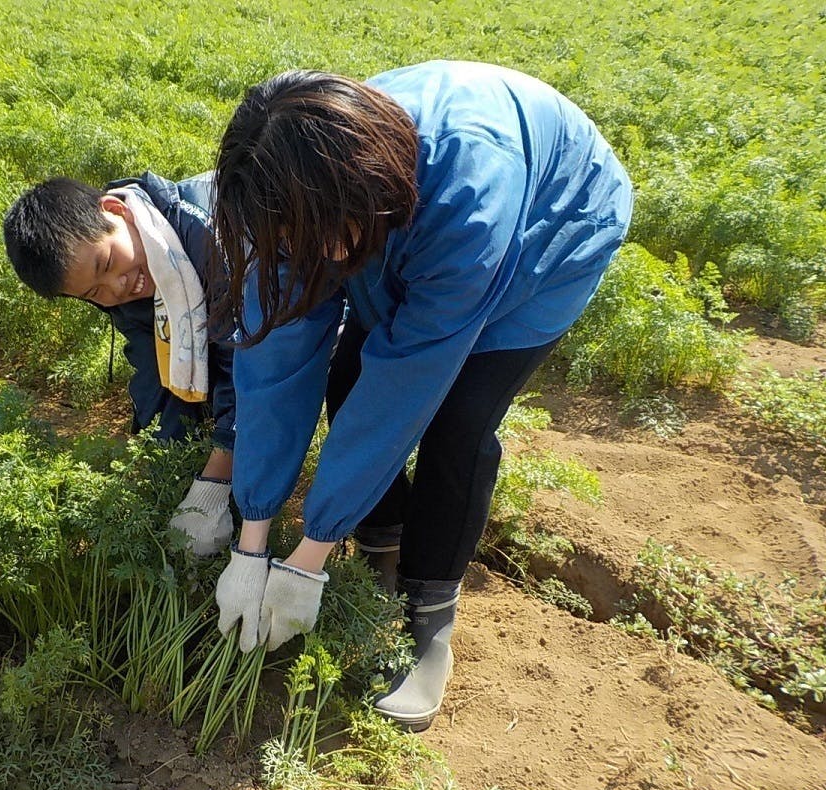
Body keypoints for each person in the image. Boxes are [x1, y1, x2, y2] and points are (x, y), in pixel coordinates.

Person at [211, 61, 633, 730]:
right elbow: (277, 359)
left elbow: (407, 383)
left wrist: (310, 554)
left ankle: (429, 614)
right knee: (350, 376)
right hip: (386, 217)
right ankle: (381, 542)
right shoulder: (289, 186)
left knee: (457, 421)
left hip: (547, 233)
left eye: (314, 238)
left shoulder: (470, 197)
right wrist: (254, 538)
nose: (299, 250)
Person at [2, 172, 237, 556]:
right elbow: (158, 376)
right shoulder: (127, 287)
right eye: (95, 292)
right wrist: (165, 475)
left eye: (108, 262)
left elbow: (246, 367)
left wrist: (214, 481)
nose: (119, 286)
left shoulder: (203, 237)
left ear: (115, 210)